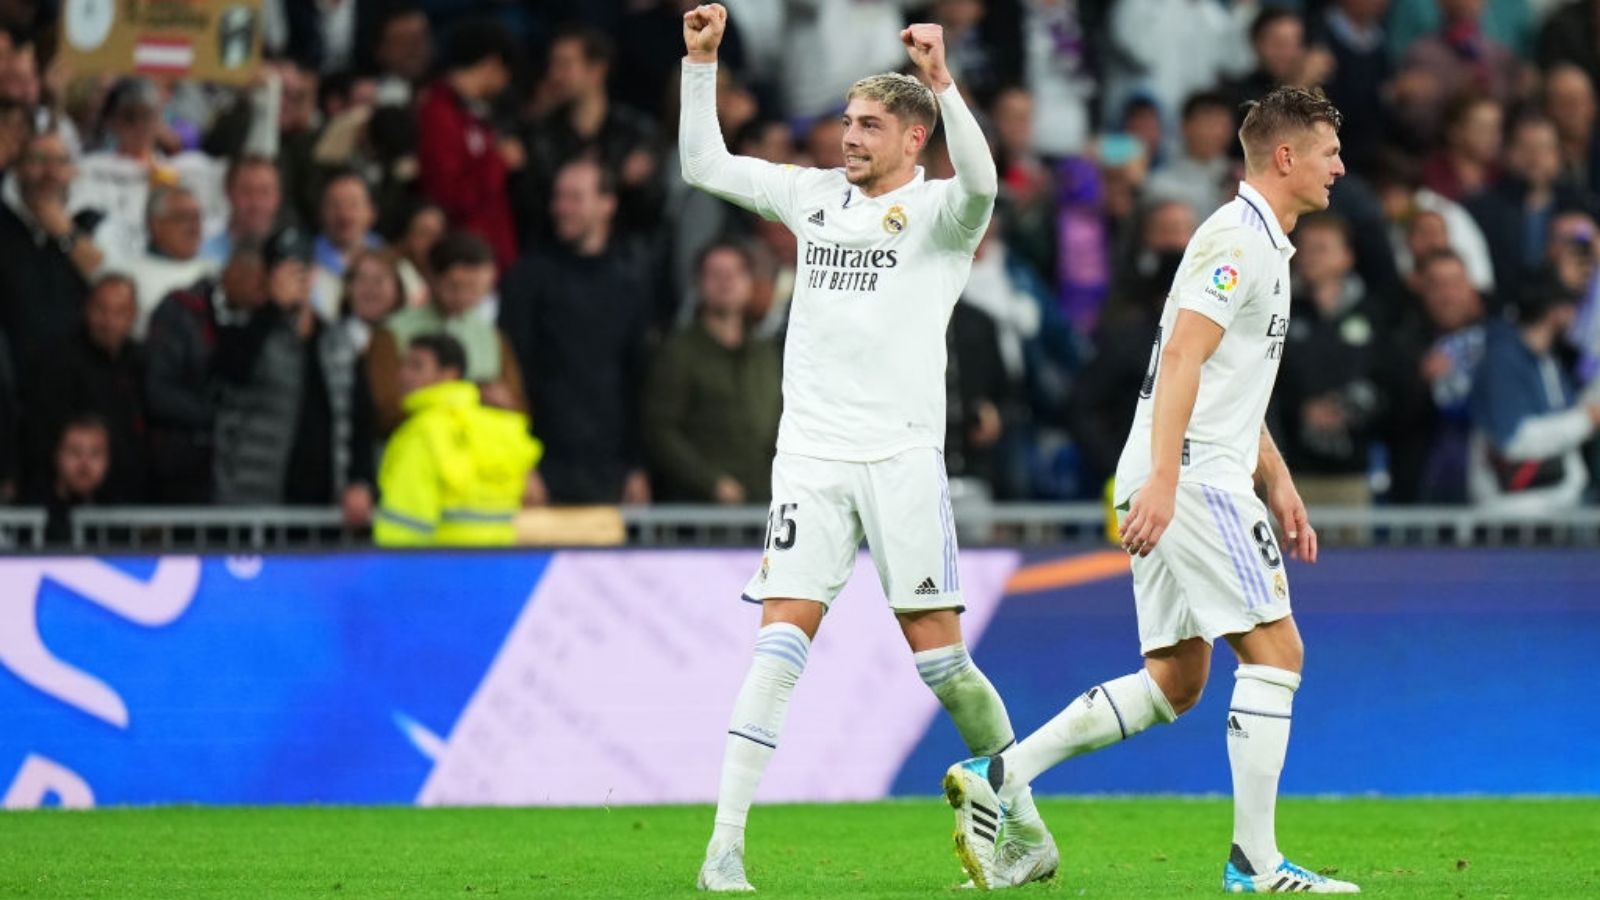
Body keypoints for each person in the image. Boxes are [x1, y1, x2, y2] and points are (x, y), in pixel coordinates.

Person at [943, 86, 1361, 894]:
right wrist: (1167, 481)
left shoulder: (1264, 244)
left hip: (1186, 469)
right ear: (1285, 157)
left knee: (1176, 679)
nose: (1339, 167)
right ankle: (1255, 864)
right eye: (1329, 152)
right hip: (1193, 476)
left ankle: (1001, 775)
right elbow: (1180, 359)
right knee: (1277, 654)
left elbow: (1226, 379)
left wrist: (1278, 478)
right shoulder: (1235, 241)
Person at [679, 6, 1053, 892]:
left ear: (915, 137)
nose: (848, 137)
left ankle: (1028, 829)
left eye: (869, 125)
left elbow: (984, 179)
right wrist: (701, 63)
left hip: (901, 459)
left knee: (944, 665)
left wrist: (943, 79)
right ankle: (723, 849)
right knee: (778, 647)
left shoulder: (939, 215)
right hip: (811, 458)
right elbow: (704, 164)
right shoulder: (811, 197)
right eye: (847, 122)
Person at [498, 157, 652, 505]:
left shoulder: (629, 283)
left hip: (611, 471)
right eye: (558, 197)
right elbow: (509, 374)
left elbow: (637, 380)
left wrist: (636, 466)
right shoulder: (527, 278)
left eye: (575, 197)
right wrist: (521, 462)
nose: (562, 208)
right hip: (539, 471)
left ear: (607, 205)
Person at [212, 227, 375, 524]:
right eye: (284, 271)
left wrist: (361, 481)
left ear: (315, 274)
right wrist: (273, 309)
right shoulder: (243, 331)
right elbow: (230, 376)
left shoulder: (339, 341)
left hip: (327, 508)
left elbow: (360, 419)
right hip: (255, 503)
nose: (295, 280)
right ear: (265, 277)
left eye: (302, 270)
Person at [643, 240, 781, 504]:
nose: (726, 282)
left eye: (735, 273)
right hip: (700, 507)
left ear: (750, 283)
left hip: (766, 499)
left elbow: (782, 419)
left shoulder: (766, 352)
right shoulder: (677, 352)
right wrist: (711, 482)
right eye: (715, 274)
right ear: (698, 284)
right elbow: (660, 429)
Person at [374, 333, 540, 546]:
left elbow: (403, 526)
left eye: (416, 366)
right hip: (499, 560)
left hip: (438, 562)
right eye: (404, 365)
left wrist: (393, 564)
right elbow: (532, 495)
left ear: (449, 374)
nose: (403, 374)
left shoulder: (422, 432)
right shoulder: (500, 426)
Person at [369, 231, 525, 435]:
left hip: (476, 446)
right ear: (432, 278)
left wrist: (503, 402)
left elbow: (518, 406)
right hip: (415, 443)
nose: (465, 296)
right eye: (455, 286)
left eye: (475, 288)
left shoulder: (491, 336)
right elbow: (384, 410)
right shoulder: (393, 332)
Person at [1468, 283, 1600, 516]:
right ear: (1554, 311)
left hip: (1558, 507)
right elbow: (1513, 440)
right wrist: (1586, 420)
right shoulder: (1503, 361)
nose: (1579, 316)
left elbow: (1566, 410)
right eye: (1574, 306)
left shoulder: (1549, 359)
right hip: (1514, 517)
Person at [22, 274, 146, 505]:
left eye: (120, 312)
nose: (109, 321)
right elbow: (40, 433)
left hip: (127, 495)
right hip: (60, 497)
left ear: (134, 316)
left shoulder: (142, 361)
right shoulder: (58, 361)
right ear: (86, 309)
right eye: (101, 310)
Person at [24, 414, 111, 545]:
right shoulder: (30, 514)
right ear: (57, 456)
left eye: (95, 453)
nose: (84, 463)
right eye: (75, 452)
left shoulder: (119, 515)